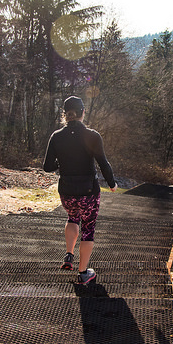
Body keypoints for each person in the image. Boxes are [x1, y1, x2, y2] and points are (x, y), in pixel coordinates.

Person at [43, 96, 117, 285]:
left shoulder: (56, 136)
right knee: (88, 229)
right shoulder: (92, 136)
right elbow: (103, 163)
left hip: (66, 192)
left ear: (65, 114)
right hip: (88, 193)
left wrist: (63, 161)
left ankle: (69, 255)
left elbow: (47, 167)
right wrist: (111, 183)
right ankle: (83, 273)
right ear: (83, 113)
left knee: (72, 217)